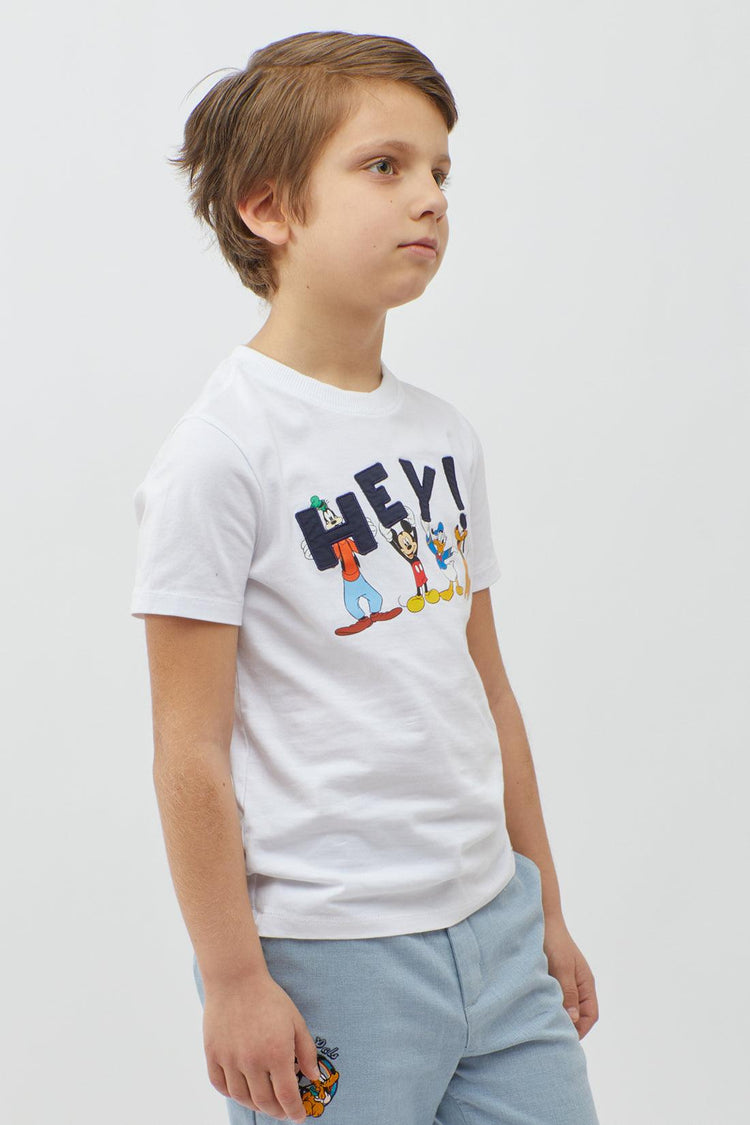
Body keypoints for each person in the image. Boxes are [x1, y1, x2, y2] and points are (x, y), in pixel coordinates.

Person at [129, 29, 601, 1125]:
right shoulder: (219, 456)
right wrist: (234, 979)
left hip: (496, 928)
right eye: (384, 166)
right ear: (269, 208)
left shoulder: (444, 436)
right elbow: (188, 748)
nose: (429, 197)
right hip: (329, 960)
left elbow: (487, 691)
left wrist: (545, 907)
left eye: (440, 170)